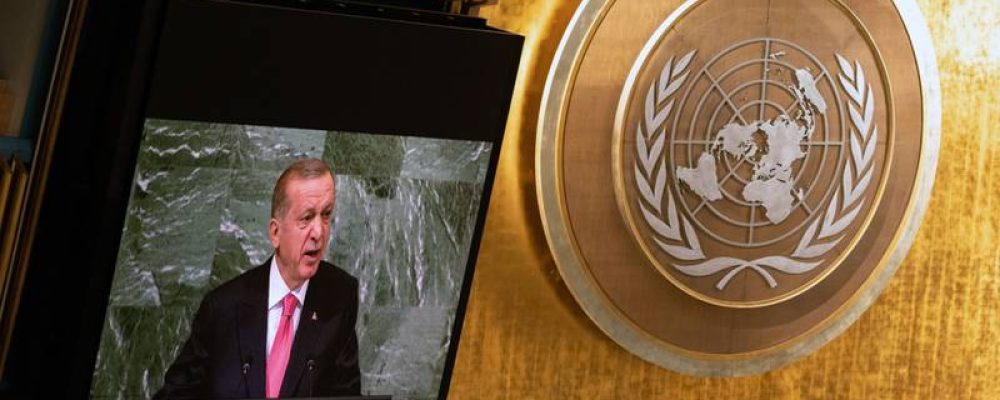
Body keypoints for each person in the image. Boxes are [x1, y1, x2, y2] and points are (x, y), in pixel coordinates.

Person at [156, 158, 361, 399]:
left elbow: (346, 393)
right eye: (306, 218)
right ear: (275, 232)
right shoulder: (223, 307)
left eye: (326, 214)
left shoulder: (339, 296)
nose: (319, 232)